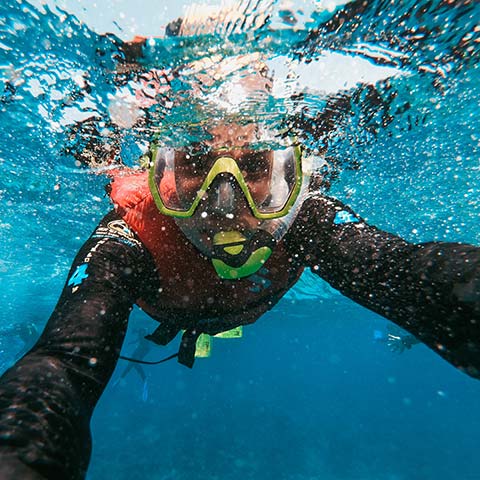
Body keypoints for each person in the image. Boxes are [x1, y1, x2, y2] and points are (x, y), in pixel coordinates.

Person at [0, 33, 479, 480]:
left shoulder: (305, 220)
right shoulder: (130, 236)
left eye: (253, 167)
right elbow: (61, 365)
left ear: (286, 173)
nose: (223, 206)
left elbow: (408, 271)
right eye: (194, 166)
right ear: (159, 172)